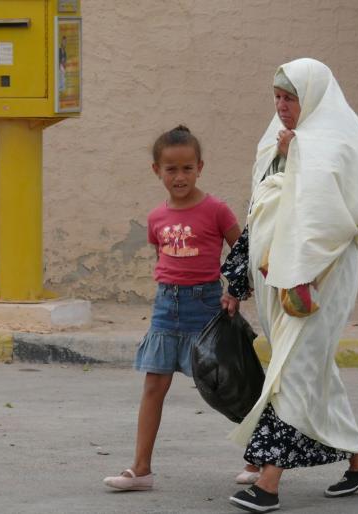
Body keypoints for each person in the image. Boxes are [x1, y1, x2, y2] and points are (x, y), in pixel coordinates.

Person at [221, 58, 358, 512]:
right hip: (277, 276)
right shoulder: (272, 141)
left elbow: (336, 217)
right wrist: (237, 279)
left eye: (290, 98)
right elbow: (259, 211)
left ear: (311, 98)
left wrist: (300, 155)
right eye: (277, 97)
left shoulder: (335, 142)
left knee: (293, 370)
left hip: (320, 275)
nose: (282, 106)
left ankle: (269, 483)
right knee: (312, 368)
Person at [103, 125, 242, 491]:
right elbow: (162, 257)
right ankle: (141, 469)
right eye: (171, 169)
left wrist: (235, 292)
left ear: (200, 167)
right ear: (156, 170)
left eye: (186, 168)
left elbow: (242, 251)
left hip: (207, 306)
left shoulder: (216, 210)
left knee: (226, 385)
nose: (179, 176)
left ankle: (259, 459)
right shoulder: (156, 218)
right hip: (167, 307)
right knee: (153, 386)